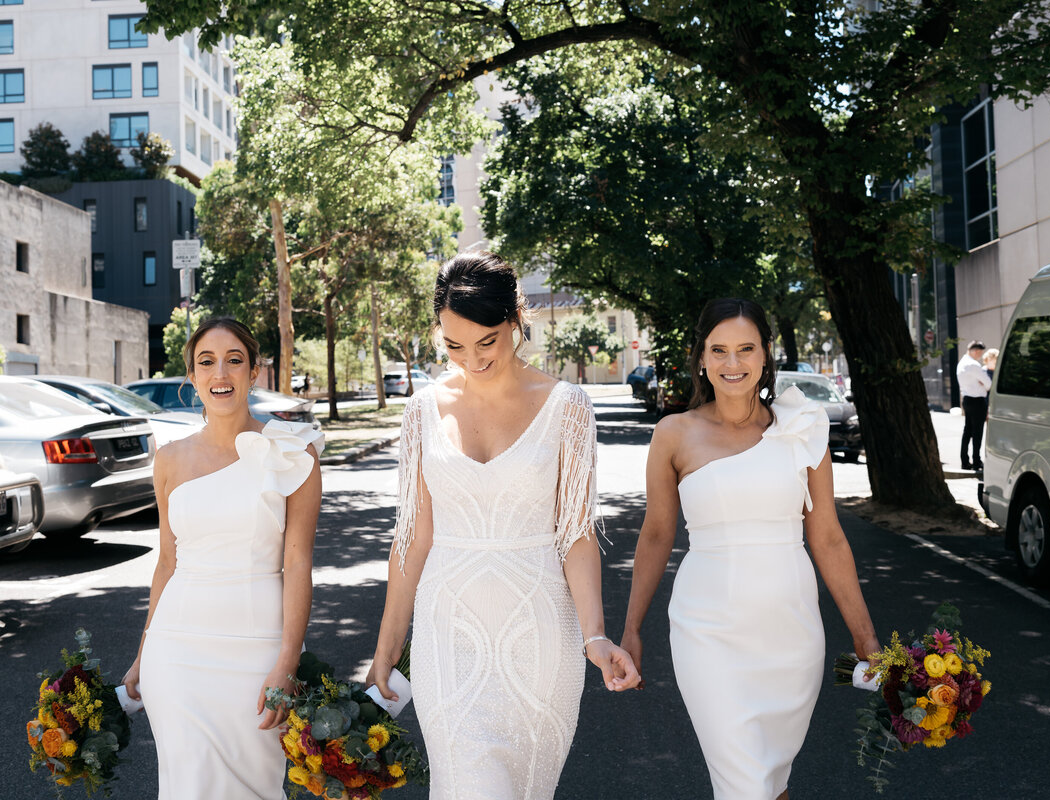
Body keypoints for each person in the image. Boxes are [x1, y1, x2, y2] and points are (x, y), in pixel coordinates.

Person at [365, 252, 640, 800]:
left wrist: (596, 635)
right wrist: (387, 647)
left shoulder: (568, 407)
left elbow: (576, 534)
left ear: (515, 318)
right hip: (448, 636)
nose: (472, 358)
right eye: (454, 345)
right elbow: (413, 537)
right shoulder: (421, 411)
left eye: (486, 341)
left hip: (540, 637)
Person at [620, 298, 879, 800]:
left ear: (765, 356)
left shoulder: (801, 428)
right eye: (719, 350)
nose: (732, 363)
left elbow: (825, 536)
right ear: (701, 357)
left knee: (769, 782)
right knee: (745, 784)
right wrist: (631, 630)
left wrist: (866, 638)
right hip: (707, 629)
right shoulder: (674, 434)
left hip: (791, 630)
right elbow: (655, 534)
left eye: (745, 349)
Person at [121, 317, 324, 799]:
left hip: (257, 650)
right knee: (188, 784)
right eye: (206, 362)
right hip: (177, 653)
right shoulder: (168, 458)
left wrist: (287, 663)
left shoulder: (295, 453)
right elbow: (167, 563)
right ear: (191, 377)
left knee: (255, 786)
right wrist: (142, 653)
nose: (221, 374)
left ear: (254, 371)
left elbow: (298, 565)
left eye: (234, 361)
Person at [956, 340, 992, 471]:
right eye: (980, 353)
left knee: (967, 431)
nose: (981, 356)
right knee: (977, 432)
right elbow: (988, 384)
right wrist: (982, 384)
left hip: (966, 399)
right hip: (977, 401)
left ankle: (964, 461)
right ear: (976, 351)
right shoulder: (974, 365)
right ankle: (976, 461)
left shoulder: (961, 363)